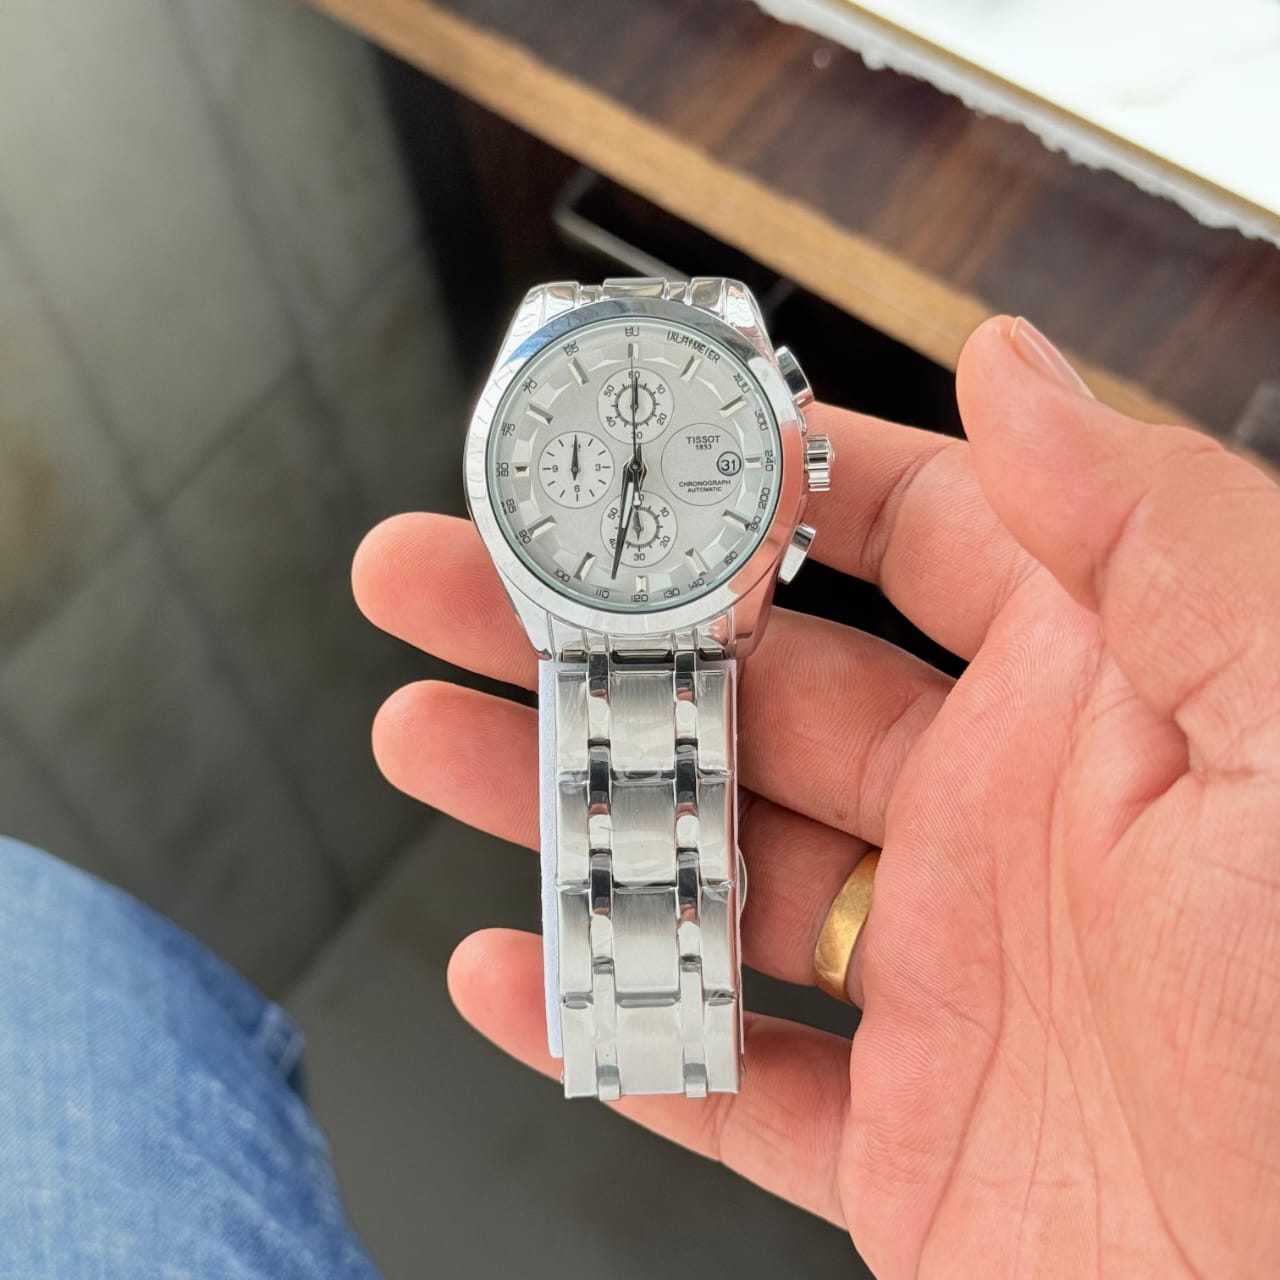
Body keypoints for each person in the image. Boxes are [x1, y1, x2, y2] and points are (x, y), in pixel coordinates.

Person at [1, 316, 1275, 1277]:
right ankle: (641, 1023)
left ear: (789, 487)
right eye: (592, 457)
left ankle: (647, 1024)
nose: (625, 475)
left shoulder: (718, 465)